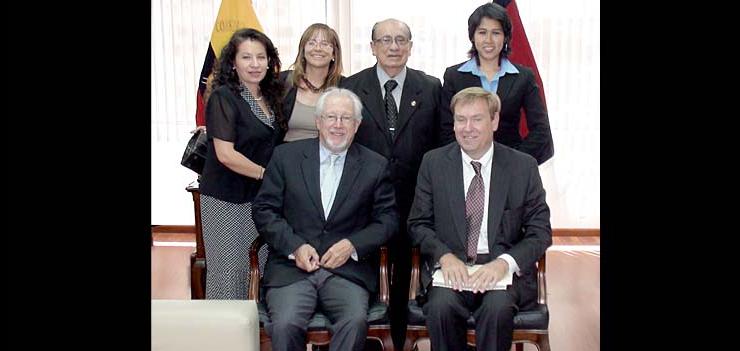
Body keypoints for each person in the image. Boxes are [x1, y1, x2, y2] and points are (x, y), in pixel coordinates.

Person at [252, 88, 398, 351]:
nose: (338, 125)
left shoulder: (375, 165)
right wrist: (295, 246)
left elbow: (387, 220)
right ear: (318, 121)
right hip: (291, 270)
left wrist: (352, 245)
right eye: (331, 117)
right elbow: (264, 210)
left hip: (347, 272)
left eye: (346, 118)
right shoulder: (286, 157)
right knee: (285, 324)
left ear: (357, 125)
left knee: (354, 322)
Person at [408, 87, 551, 351]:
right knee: (440, 307)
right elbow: (418, 224)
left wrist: (504, 263)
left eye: (477, 119)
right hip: (452, 269)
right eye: (460, 120)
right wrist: (445, 257)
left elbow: (540, 232)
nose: (467, 128)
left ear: (494, 121)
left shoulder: (523, 166)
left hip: (499, 271)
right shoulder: (434, 163)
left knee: (497, 310)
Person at [340, 18, 452, 349]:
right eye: (385, 40)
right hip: (362, 200)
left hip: (414, 199)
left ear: (410, 46)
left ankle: (401, 340)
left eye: (401, 40)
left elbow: (442, 144)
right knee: (365, 270)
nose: (393, 46)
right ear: (372, 46)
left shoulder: (430, 86)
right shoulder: (350, 85)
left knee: (405, 274)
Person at [198, 28, 286, 299]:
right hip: (227, 199)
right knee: (228, 272)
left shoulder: (271, 96)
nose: (255, 64)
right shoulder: (224, 97)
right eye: (246, 57)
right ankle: (224, 337)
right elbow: (225, 154)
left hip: (258, 199)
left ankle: (251, 336)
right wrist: (267, 174)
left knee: (254, 269)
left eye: (262, 57)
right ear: (233, 62)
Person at [440, 2, 554, 165]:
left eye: (496, 33)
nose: (488, 40)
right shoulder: (454, 76)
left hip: (511, 169)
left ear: (506, 37)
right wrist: (468, 163)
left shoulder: (524, 77)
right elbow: (446, 130)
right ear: (472, 36)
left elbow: (541, 132)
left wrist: (512, 162)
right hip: (464, 168)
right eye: (482, 32)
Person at [281, 23, 345, 142]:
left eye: (325, 44)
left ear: (334, 54)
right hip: (287, 155)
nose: (318, 48)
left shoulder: (346, 87)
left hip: (329, 155)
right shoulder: (283, 81)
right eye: (312, 43)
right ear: (303, 50)